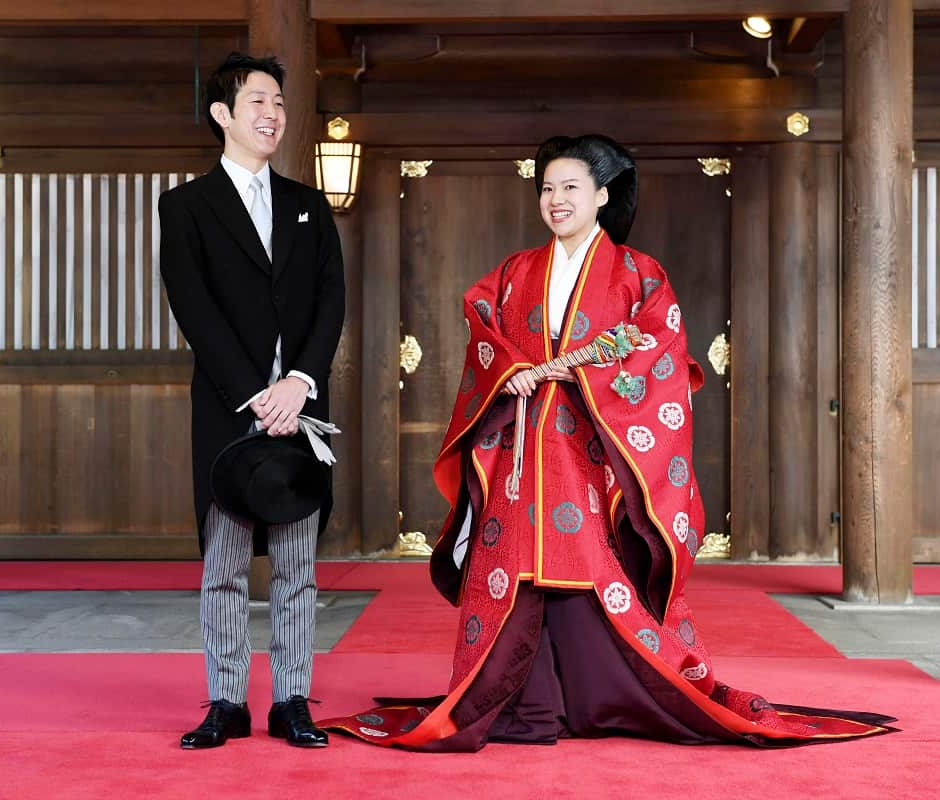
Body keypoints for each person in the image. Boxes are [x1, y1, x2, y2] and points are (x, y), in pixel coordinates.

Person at [318, 134, 894, 750]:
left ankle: (599, 697)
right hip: (521, 446)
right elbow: (481, 326)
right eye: (547, 188)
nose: (556, 200)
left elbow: (661, 351)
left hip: (591, 452)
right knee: (512, 567)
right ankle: (515, 701)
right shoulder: (515, 273)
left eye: (570, 188)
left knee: (586, 566)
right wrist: (513, 370)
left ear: (601, 195)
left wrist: (586, 372)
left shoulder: (637, 274)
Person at [159, 53, 345, 749]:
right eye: (260, 101)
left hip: (301, 410)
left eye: (280, 103)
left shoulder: (309, 204)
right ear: (223, 115)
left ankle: (292, 697)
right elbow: (193, 306)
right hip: (229, 411)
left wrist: (299, 380)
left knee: (299, 562)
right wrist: (255, 393)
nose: (274, 114)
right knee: (225, 561)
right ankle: (226, 700)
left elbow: (332, 299)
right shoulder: (185, 207)